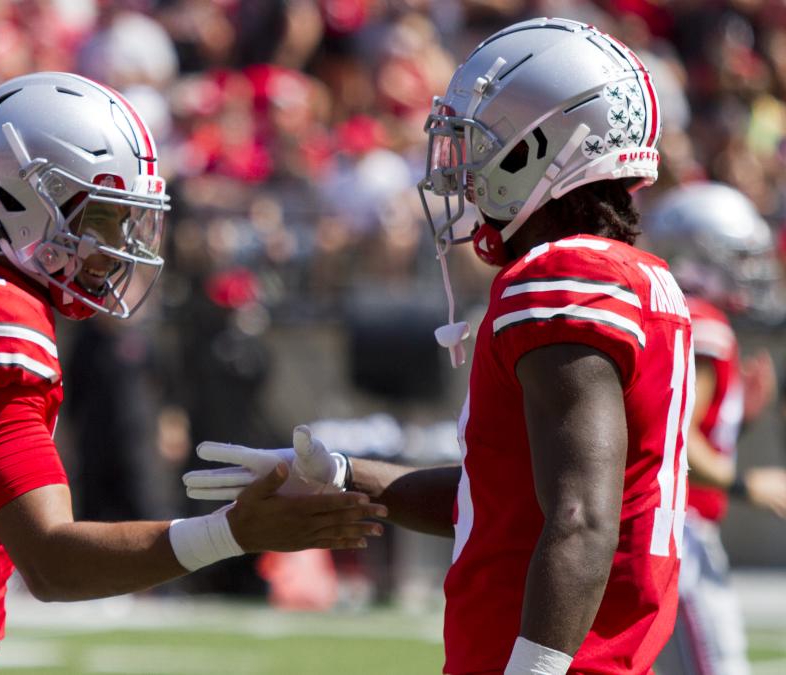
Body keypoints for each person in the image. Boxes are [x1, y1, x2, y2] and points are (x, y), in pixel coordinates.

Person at [0, 71, 385, 675]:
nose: (117, 246)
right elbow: (52, 563)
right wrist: (234, 532)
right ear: (21, 198)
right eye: (102, 219)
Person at [186, 18, 692, 675]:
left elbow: (581, 518)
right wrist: (340, 474)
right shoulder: (637, 278)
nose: (461, 168)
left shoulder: (562, 277)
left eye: (480, 142)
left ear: (539, 147)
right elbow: (500, 499)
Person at [643, 182, 786, 675]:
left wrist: (739, 420)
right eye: (738, 257)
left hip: (666, 528)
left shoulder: (681, 318)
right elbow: (674, 441)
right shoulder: (704, 323)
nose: (753, 271)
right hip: (680, 532)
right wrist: (746, 484)